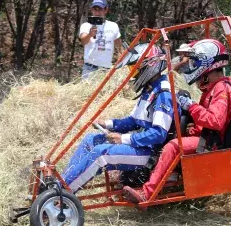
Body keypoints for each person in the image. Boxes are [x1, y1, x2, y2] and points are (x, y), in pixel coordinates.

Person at [122, 38, 231, 203]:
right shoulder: (212, 87)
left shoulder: (221, 89)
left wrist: (191, 106)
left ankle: (147, 193)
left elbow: (215, 121)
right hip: (205, 136)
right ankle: (152, 177)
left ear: (208, 62)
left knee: (173, 146)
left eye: (195, 61)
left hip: (211, 143)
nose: (192, 66)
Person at [61, 45, 179, 193]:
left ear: (150, 66)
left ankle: (62, 194)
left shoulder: (163, 94)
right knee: (90, 140)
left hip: (149, 153)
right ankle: (63, 181)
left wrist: (123, 139)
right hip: (139, 146)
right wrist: (108, 124)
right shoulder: (150, 89)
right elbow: (133, 121)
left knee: (101, 153)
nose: (133, 74)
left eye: (134, 69)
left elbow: (158, 134)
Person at [79, 0, 122, 79]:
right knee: (88, 91)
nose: (97, 12)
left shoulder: (113, 26)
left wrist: (120, 62)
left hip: (106, 68)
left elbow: (119, 46)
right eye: (95, 9)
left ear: (106, 10)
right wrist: (90, 34)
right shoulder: (86, 25)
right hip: (90, 68)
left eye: (100, 9)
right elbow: (83, 42)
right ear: (91, 10)